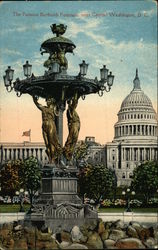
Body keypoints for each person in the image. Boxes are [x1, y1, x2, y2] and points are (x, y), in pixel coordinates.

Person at [33, 96, 62, 164]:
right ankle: (50, 159)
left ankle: (53, 159)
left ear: (52, 101)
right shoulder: (44, 108)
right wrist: (33, 98)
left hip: (51, 125)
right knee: (47, 144)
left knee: (52, 143)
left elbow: (59, 109)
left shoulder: (54, 108)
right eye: (47, 100)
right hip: (44, 125)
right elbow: (37, 104)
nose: (47, 101)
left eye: (48, 100)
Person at [63, 92, 80, 162]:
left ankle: (68, 153)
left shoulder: (71, 109)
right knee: (72, 139)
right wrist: (76, 93)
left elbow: (75, 102)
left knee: (74, 139)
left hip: (76, 125)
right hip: (74, 125)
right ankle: (67, 152)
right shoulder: (70, 109)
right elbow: (75, 102)